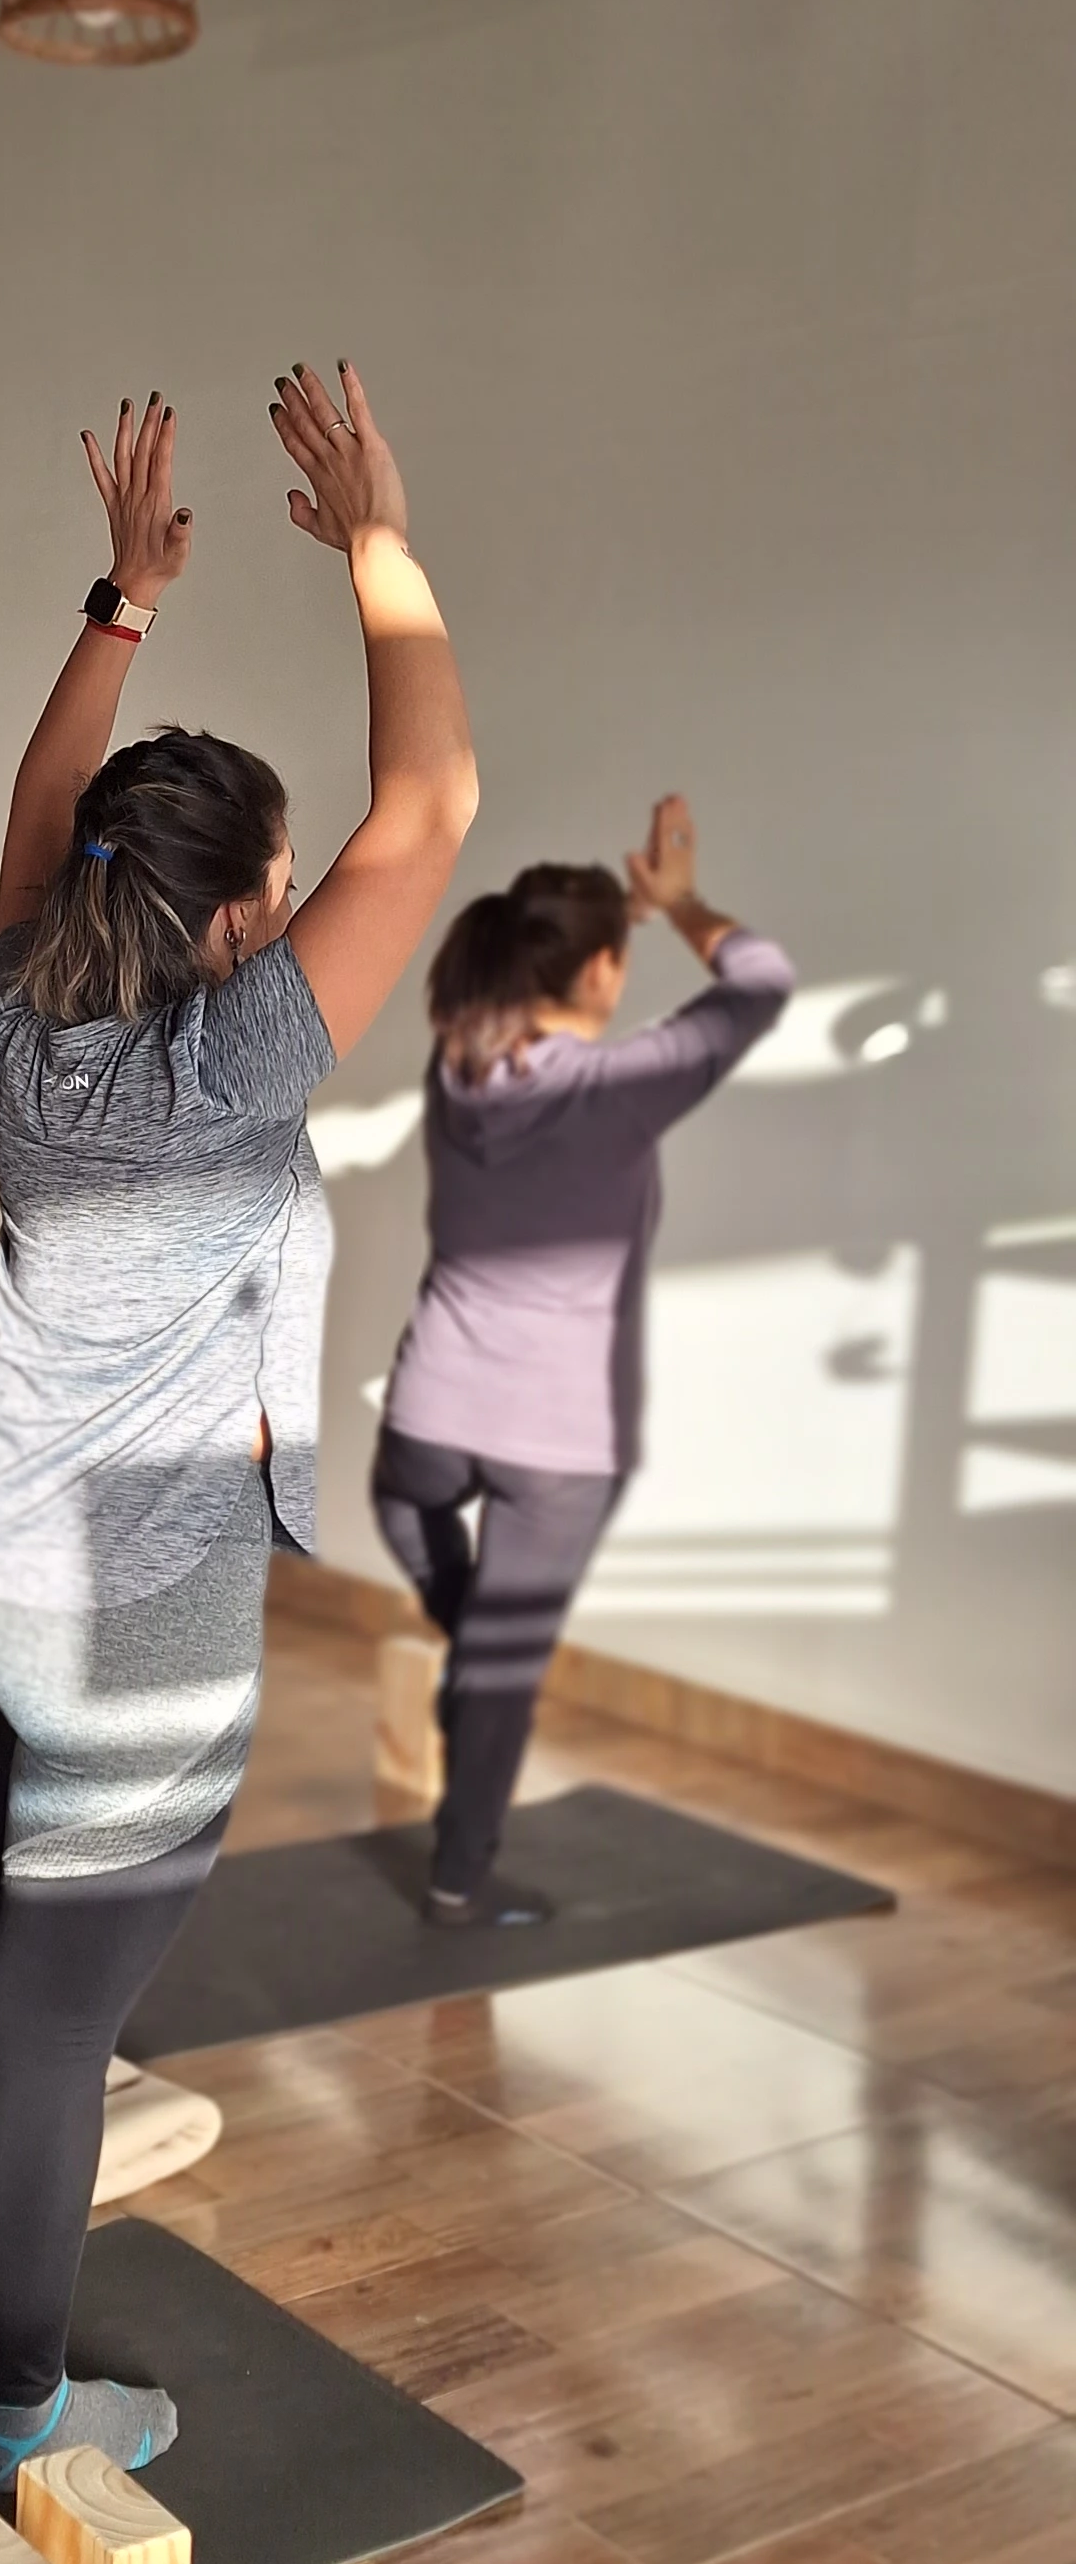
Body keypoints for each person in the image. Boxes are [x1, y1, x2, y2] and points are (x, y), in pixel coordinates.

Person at [0, 362, 477, 2488]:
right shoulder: (231, 1066)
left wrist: (120, 601)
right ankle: (24, 2425)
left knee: (13, 1991)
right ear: (241, 924)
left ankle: (1, 2127)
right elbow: (436, 812)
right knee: (56, 2031)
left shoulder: (13, 1013)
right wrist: (377, 530)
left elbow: (45, 814)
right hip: (121, 1593)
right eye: (285, 886)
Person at [372, 803, 793, 1926]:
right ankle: (458, 1879)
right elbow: (761, 982)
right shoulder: (616, 1086)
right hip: (558, 1440)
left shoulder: (456, 1062)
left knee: (405, 1508)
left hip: (431, 1407)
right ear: (605, 969)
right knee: (499, 1667)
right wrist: (680, 902)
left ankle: (463, 1626)